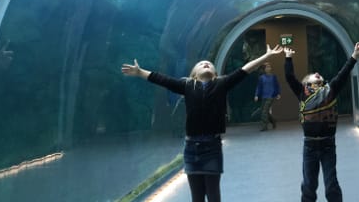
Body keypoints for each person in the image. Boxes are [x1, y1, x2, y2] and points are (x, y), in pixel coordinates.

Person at [121, 44, 283, 202]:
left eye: (209, 64)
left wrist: (266, 57)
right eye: (201, 64)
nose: (206, 63)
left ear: (214, 73)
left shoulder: (222, 83)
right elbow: (162, 80)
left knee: (213, 195)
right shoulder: (186, 85)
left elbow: (246, 70)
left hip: (212, 147)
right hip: (191, 148)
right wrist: (140, 72)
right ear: (194, 74)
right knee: (196, 196)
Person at [284, 42, 359, 202]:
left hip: (328, 145)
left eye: (318, 74)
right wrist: (288, 57)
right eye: (313, 74)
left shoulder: (330, 89)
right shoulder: (302, 92)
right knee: (309, 184)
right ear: (306, 82)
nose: (317, 72)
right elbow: (289, 76)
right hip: (310, 146)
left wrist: (354, 56)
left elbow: (343, 74)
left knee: (331, 184)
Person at [253, 62, 281, 131]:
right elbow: (258, 87)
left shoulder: (273, 77)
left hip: (271, 96)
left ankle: (264, 126)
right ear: (264, 69)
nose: (269, 68)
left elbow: (277, 86)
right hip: (264, 96)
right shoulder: (261, 78)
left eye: (269, 67)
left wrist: (278, 93)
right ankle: (273, 121)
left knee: (264, 112)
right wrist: (256, 95)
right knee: (265, 111)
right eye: (267, 67)